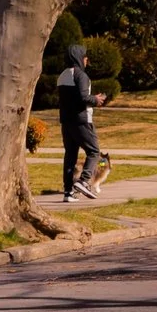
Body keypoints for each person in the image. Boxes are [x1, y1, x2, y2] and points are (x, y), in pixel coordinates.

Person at [55, 43, 110, 198]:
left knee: (70, 155)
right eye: (85, 57)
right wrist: (96, 99)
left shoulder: (62, 75)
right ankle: (84, 181)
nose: (86, 60)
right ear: (78, 57)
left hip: (66, 121)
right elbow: (83, 98)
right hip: (81, 120)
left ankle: (68, 192)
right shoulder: (81, 75)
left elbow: (70, 99)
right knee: (93, 151)